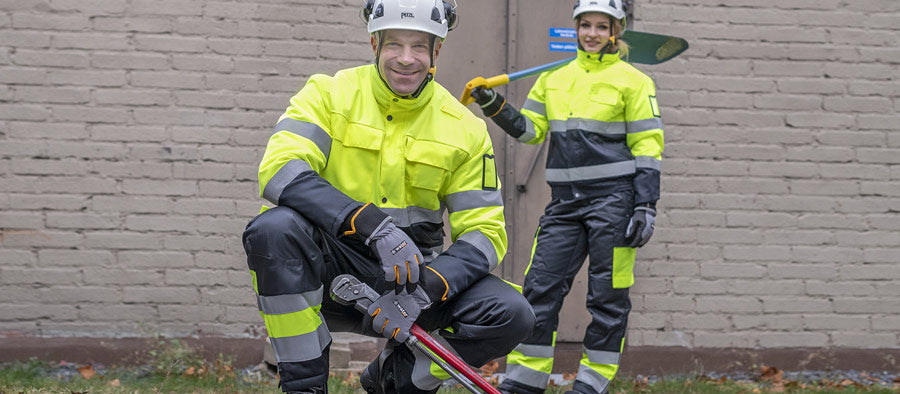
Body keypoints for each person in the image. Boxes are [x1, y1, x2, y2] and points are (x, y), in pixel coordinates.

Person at [241, 0, 535, 393]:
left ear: (437, 50)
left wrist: (426, 290)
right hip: (330, 271)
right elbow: (280, 169)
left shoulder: (465, 128)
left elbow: (485, 233)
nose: (406, 59)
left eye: (419, 46)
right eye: (394, 44)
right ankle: (304, 387)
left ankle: (394, 380)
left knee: (511, 313)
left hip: (411, 283)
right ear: (374, 42)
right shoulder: (328, 94)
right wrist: (371, 225)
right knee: (274, 229)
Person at [468, 1, 664, 393]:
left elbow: (647, 146)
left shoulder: (634, 82)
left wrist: (645, 204)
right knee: (540, 289)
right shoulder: (554, 78)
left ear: (616, 31)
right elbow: (529, 131)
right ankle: (523, 382)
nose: (592, 33)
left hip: (616, 202)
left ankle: (591, 383)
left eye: (601, 26)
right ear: (576, 29)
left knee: (607, 298)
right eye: (585, 25)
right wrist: (492, 103)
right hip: (564, 204)